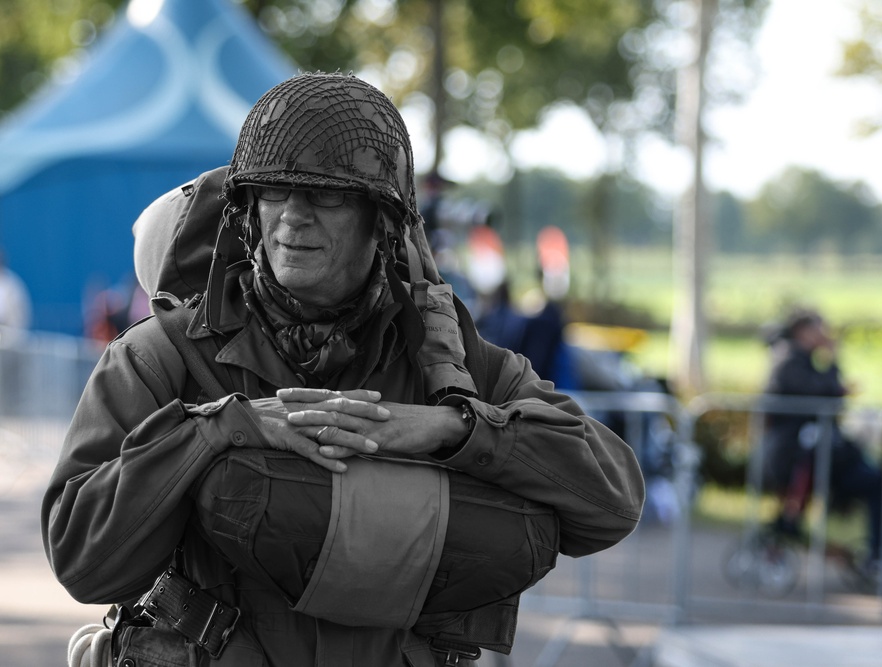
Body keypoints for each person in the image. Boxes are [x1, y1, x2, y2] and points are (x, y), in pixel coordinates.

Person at [41, 72, 644, 666]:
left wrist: (454, 429)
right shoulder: (163, 355)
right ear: (249, 210)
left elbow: (611, 500)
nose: (293, 217)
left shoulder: (450, 360)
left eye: (325, 195)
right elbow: (80, 558)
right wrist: (216, 431)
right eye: (276, 191)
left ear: (380, 222)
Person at [760, 307, 882, 569]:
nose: (825, 334)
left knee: (872, 478)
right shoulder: (790, 361)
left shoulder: (797, 359)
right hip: (796, 458)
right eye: (820, 328)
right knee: (875, 483)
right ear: (803, 331)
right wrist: (833, 360)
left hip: (812, 455)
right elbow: (824, 395)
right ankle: (876, 556)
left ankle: (871, 552)